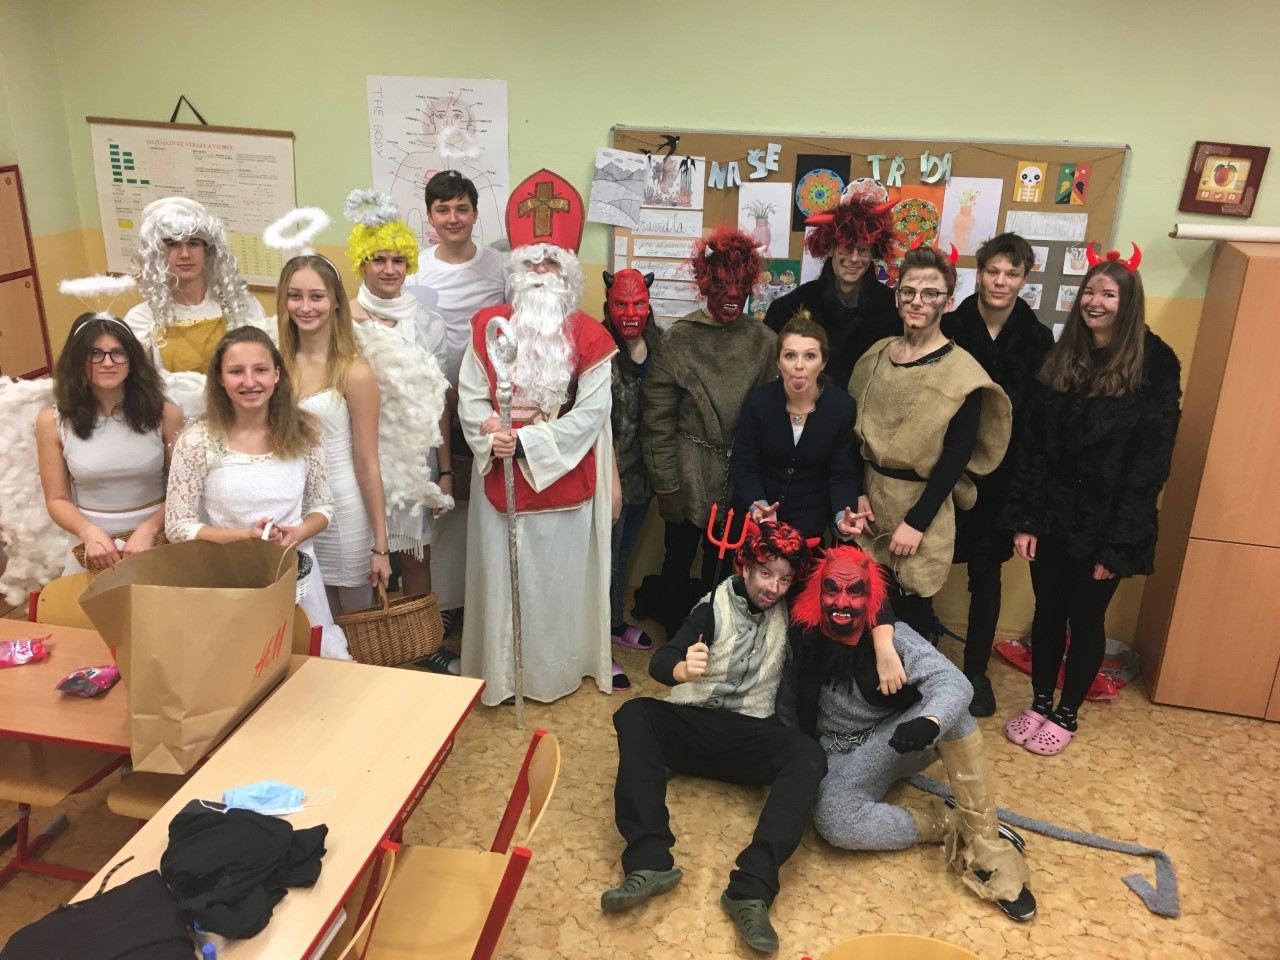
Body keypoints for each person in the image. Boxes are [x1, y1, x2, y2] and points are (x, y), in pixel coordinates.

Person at [779, 544, 1036, 922]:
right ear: (818, 591)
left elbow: (954, 684)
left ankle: (986, 846)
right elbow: (787, 703)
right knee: (834, 820)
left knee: (955, 713)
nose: (842, 602)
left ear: (870, 598)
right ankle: (947, 823)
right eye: (832, 589)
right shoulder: (801, 636)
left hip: (900, 739)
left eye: (854, 591)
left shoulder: (893, 636)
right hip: (838, 753)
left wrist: (928, 721)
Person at [602, 522, 825, 955]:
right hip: (696, 726)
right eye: (766, 573)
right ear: (746, 568)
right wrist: (681, 669)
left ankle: (751, 890)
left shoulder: (791, 607)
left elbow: (834, 579)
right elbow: (662, 661)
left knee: (808, 754)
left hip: (749, 734)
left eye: (784, 579)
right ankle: (649, 862)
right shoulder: (711, 607)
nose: (774, 587)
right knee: (635, 713)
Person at [1003, 245, 1181, 755]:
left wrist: (1117, 546)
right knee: (1047, 612)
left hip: (1106, 525)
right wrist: (1026, 519)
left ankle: (1067, 713)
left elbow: (1150, 466)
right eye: (1089, 292)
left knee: (1085, 618)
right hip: (1052, 516)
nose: (1095, 302)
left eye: (1108, 294)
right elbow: (1033, 446)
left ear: (1128, 304)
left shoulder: (1155, 365)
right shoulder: (1062, 356)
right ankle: (1040, 700)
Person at [458, 169, 618, 705]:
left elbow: (592, 414)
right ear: (517, 270)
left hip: (563, 481)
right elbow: (471, 397)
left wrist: (526, 442)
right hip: (500, 477)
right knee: (503, 583)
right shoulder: (488, 326)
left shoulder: (591, 336)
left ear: (568, 273)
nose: (541, 272)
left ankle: (553, 675)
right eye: (532, 263)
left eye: (552, 263)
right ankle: (503, 678)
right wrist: (490, 435)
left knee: (556, 587)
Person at [848, 245, 1011, 642]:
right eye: (908, 291)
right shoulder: (875, 357)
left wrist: (916, 523)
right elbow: (850, 433)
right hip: (870, 501)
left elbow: (956, 455)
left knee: (910, 616)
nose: (917, 301)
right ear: (897, 297)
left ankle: (911, 681)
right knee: (861, 607)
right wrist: (856, 492)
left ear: (948, 301)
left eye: (930, 293)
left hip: (920, 505)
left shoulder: (963, 372)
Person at [165, 327, 348, 659]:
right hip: (229, 580)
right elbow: (178, 526)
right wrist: (244, 538)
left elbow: (323, 505)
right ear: (220, 378)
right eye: (236, 371)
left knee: (307, 671)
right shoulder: (197, 440)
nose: (250, 382)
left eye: (260, 370)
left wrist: (298, 533)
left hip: (297, 576)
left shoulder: (306, 431)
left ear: (276, 374)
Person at [640, 225, 777, 641]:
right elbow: (657, 419)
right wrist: (667, 485)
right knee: (678, 553)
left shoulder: (764, 341)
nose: (732, 293)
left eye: (740, 283)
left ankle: (716, 631)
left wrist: (757, 484)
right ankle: (675, 634)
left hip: (740, 471)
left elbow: (770, 415)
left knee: (726, 560)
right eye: (721, 283)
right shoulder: (679, 340)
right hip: (688, 469)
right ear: (705, 284)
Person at [941, 233, 1054, 716]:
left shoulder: (1038, 339)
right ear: (980, 272)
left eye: (1012, 273)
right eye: (993, 271)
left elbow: (1039, 423)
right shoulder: (950, 326)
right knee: (922, 570)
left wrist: (1027, 502)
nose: (1001, 282)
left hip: (1003, 479)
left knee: (986, 578)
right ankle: (916, 662)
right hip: (947, 471)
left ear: (1025, 278)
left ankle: (975, 672)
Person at [345, 190, 455, 662]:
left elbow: (438, 401)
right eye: (378, 259)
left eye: (397, 260)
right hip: (359, 455)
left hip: (415, 460)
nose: (389, 270)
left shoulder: (428, 323)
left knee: (415, 555)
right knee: (364, 554)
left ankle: (422, 646)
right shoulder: (342, 321)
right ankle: (369, 647)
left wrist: (445, 470)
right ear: (362, 263)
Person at [410, 170, 510, 636]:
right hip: (430, 409)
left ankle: (483, 598)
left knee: (483, 503)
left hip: (484, 405)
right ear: (430, 217)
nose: (453, 218)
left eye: (462, 209)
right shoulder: (416, 267)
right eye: (443, 209)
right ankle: (445, 601)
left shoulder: (498, 267)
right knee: (442, 505)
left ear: (475, 213)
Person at [276, 254, 390, 613]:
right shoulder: (274, 367)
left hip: (344, 511)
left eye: (316, 296)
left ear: (336, 301)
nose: (305, 307)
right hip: (292, 511)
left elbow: (368, 462)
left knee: (354, 625)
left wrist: (381, 546)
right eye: (295, 296)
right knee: (304, 622)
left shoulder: (354, 372)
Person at [35, 313, 183, 573]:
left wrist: (150, 529)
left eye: (118, 352)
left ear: (132, 359)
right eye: (95, 353)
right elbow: (57, 499)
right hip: (91, 546)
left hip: (157, 541)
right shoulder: (52, 421)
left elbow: (183, 489)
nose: (107, 363)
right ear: (78, 360)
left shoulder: (165, 415)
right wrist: (89, 532)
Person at [730, 311, 866, 542]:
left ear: (823, 362)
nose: (799, 366)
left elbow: (842, 474)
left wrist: (841, 517)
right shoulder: (759, 401)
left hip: (807, 524)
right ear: (778, 361)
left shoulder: (841, 407)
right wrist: (758, 505)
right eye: (790, 356)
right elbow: (744, 465)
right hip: (755, 520)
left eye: (810, 356)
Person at [765, 179, 900, 391]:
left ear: (873, 253)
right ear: (830, 249)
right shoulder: (792, 305)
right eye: (846, 248)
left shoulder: (891, 308)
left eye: (863, 250)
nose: (854, 258)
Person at [125, 196, 265, 374]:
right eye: (173, 244)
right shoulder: (142, 320)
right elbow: (138, 384)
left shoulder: (241, 308)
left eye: (193, 243)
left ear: (207, 250)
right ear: (158, 254)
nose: (185, 254)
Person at [603, 268, 659, 653]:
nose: (630, 313)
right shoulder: (597, 346)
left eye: (638, 303)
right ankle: (604, 626)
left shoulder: (661, 346)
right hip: (610, 474)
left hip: (646, 474)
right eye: (621, 303)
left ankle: (614, 621)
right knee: (606, 556)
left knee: (624, 553)